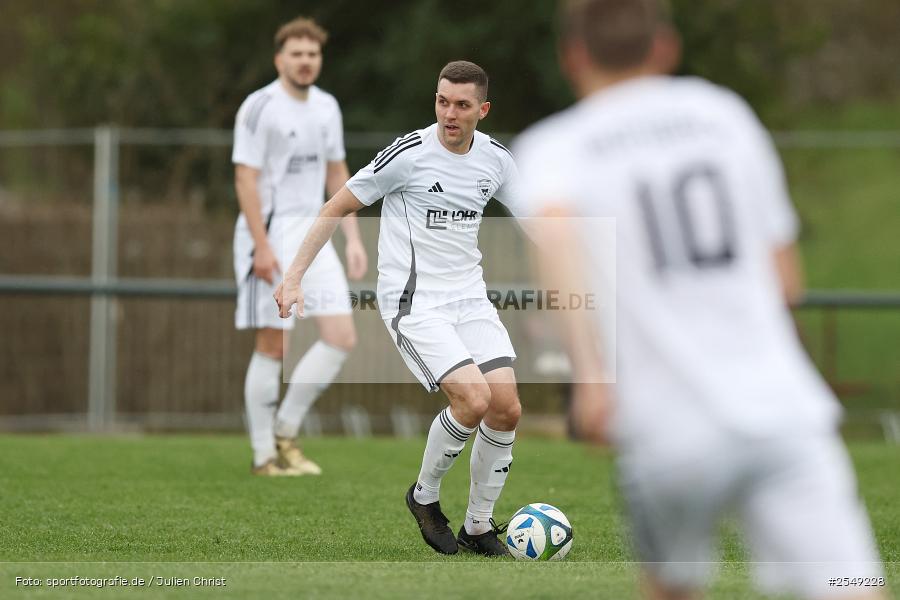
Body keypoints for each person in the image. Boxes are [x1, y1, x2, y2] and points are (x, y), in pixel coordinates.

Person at [515, 0, 886, 598]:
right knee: (851, 584)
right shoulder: (724, 116)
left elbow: (556, 235)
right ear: (665, 46)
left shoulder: (555, 148)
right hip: (781, 411)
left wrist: (592, 381)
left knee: (672, 587)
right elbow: (786, 280)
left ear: (572, 56)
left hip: (667, 429)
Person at [275, 61, 523, 555]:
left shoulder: (497, 159)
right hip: (414, 301)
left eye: (461, 105)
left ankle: (478, 526)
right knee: (472, 400)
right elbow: (336, 207)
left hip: (470, 298)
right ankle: (424, 497)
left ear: (483, 110)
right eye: (441, 101)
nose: (449, 113)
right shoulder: (409, 154)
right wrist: (294, 276)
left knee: (507, 409)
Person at [232, 16, 367, 476]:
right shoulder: (259, 106)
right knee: (274, 343)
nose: (306, 61)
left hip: (315, 234)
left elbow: (337, 173)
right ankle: (262, 455)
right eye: (297, 54)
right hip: (270, 234)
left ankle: (286, 432)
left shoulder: (327, 107)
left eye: (312, 54)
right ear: (279, 59)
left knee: (341, 337)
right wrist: (261, 245)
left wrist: (351, 237)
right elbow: (244, 178)